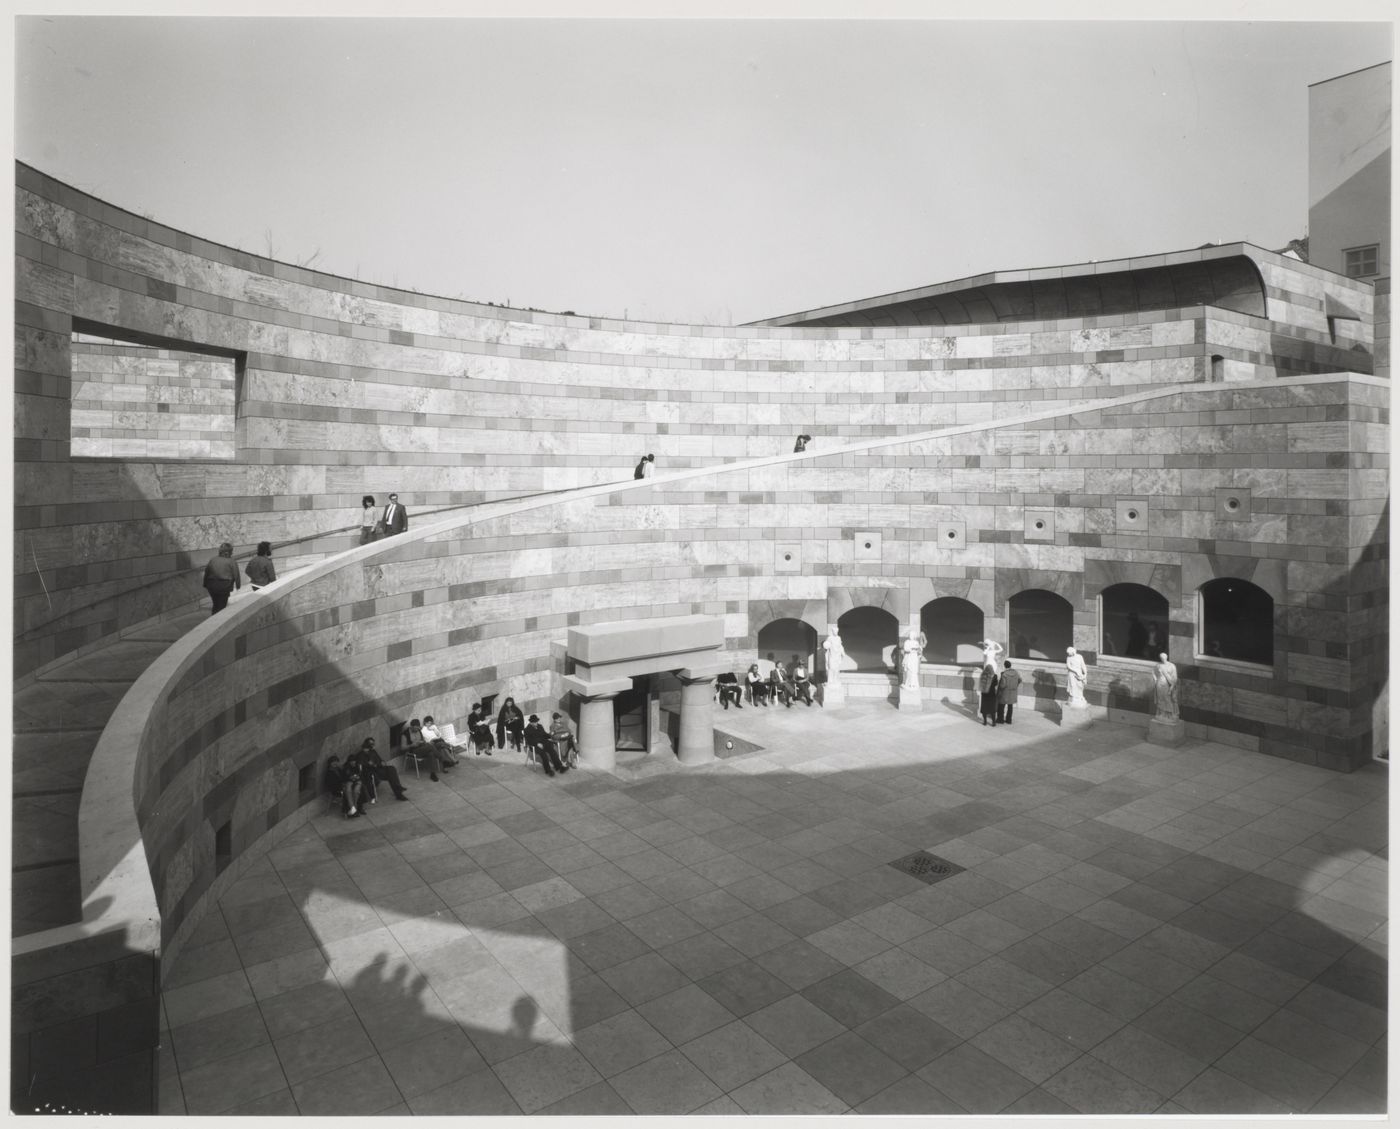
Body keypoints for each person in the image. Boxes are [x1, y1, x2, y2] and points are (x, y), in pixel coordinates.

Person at [203, 542, 240, 615]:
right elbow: (236, 575)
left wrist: (205, 584)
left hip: (211, 587)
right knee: (221, 607)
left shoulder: (213, 560)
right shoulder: (231, 561)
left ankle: (213, 619)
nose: (232, 553)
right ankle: (217, 622)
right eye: (231, 552)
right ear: (227, 552)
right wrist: (238, 586)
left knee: (216, 605)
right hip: (224, 587)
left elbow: (206, 572)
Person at [1153, 652, 1180, 721]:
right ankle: (1162, 713)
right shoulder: (1158, 665)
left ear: (1167, 657)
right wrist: (1155, 680)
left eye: (1164, 657)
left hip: (1167, 684)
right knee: (1160, 698)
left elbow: (1174, 678)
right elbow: (1154, 673)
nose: (1163, 659)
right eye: (1161, 658)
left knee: (1167, 699)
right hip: (1159, 684)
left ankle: (1170, 714)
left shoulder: (1172, 666)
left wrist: (1172, 687)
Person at [996, 660, 1022, 725]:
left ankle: (1000, 719)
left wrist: (999, 688)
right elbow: (1020, 680)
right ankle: (1009, 720)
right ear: (1010, 665)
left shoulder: (1004, 674)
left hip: (1005, 692)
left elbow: (1003, 685)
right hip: (1013, 692)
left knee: (1001, 706)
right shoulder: (1016, 672)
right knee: (1010, 706)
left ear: (1004, 666)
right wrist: (1015, 685)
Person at [978, 659, 999, 725]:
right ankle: (994, 722)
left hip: (984, 694)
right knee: (992, 708)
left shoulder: (982, 675)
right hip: (992, 694)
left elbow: (981, 684)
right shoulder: (995, 676)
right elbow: (996, 684)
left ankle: (985, 722)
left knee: (984, 708)